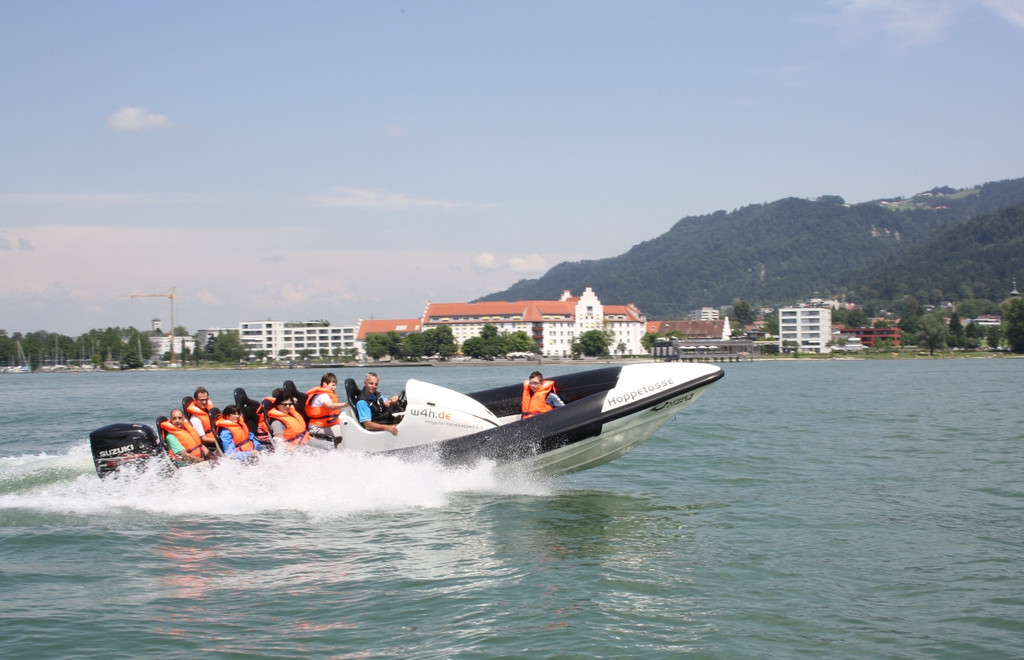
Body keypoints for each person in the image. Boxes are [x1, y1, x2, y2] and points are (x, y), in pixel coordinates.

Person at [304, 372, 347, 445]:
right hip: (317, 428)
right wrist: (346, 404)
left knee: (345, 428)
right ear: (325, 384)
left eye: (335, 385)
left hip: (327, 425)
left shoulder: (327, 395)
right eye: (333, 385)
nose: (335, 387)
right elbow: (330, 406)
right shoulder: (322, 396)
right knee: (343, 432)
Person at [186, 386, 220, 452]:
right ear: (195, 401)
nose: (204, 402)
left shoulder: (209, 412)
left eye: (206, 399)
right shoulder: (195, 419)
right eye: (201, 400)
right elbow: (203, 439)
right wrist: (220, 441)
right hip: (210, 445)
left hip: (217, 437)